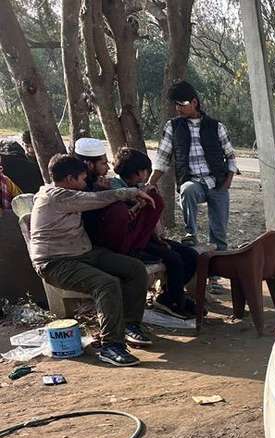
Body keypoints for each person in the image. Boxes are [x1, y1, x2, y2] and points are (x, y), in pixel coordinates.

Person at [29, 154, 156, 367]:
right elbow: (96, 200)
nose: (85, 182)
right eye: (81, 178)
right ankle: (110, 346)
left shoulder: (68, 192)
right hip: (54, 262)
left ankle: (130, 325)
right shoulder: (57, 196)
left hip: (83, 253)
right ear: (69, 179)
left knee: (134, 268)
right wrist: (131, 192)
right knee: (106, 284)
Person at [97, 147, 199, 317]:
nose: (146, 175)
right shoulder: (114, 187)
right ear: (138, 173)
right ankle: (174, 301)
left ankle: (170, 295)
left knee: (190, 255)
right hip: (130, 242)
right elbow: (125, 216)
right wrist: (142, 200)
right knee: (173, 259)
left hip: (147, 237)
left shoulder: (139, 186)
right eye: (145, 171)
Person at [148, 81, 238, 253]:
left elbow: (231, 156)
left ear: (194, 102)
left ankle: (215, 276)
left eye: (181, 105)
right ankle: (191, 233)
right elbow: (162, 159)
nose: (178, 109)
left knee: (219, 235)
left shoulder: (216, 127)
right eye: (176, 105)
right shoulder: (172, 127)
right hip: (192, 181)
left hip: (217, 183)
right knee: (187, 189)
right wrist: (151, 183)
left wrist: (228, 181)